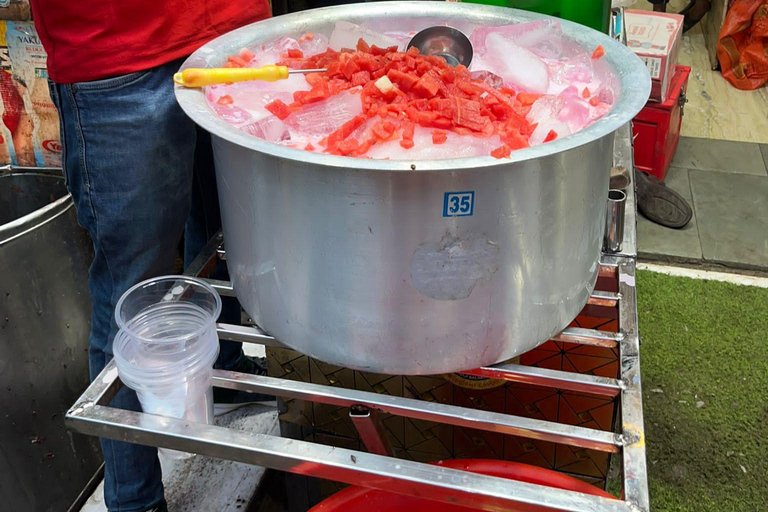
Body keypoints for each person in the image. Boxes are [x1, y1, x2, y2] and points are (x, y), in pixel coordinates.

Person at [28, 2, 274, 511]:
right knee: (131, 291)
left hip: (234, 36)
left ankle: (225, 371)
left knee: (228, 234)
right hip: (120, 58)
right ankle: (135, 498)